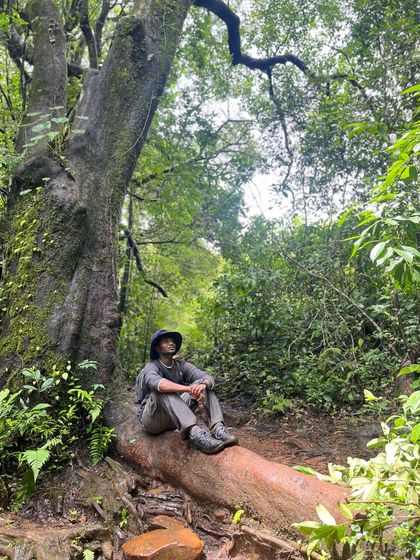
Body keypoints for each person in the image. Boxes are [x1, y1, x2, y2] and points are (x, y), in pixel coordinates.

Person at [136, 329, 238, 454]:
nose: (171, 343)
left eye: (172, 341)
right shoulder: (151, 367)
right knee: (161, 390)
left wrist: (203, 385)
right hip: (153, 419)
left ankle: (218, 429)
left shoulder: (181, 365)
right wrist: (189, 389)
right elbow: (159, 384)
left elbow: (207, 377)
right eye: (166, 341)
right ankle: (195, 434)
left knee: (203, 384)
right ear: (157, 348)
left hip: (175, 418)